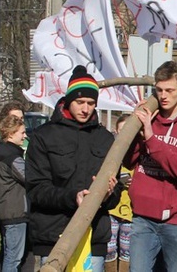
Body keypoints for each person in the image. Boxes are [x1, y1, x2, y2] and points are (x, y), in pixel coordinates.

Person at [26, 65, 120, 271]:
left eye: (91, 103)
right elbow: (36, 189)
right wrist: (72, 197)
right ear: (68, 100)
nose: (86, 109)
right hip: (53, 236)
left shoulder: (105, 139)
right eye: (80, 102)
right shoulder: (44, 136)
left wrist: (109, 194)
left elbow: (118, 188)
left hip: (93, 236)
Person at [124, 60, 177, 272]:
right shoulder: (150, 116)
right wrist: (136, 133)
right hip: (143, 218)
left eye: (170, 90)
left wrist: (151, 139)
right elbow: (129, 161)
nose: (163, 96)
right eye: (159, 90)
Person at [0, 115, 29, 272]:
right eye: (22, 133)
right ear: (11, 133)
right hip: (15, 212)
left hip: (4, 210)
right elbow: (29, 177)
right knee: (14, 258)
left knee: (9, 254)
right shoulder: (13, 158)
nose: (25, 136)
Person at [107, 114, 133, 272]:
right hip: (112, 209)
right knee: (109, 249)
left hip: (131, 210)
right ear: (116, 131)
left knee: (126, 249)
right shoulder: (111, 152)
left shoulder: (139, 152)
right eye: (121, 130)